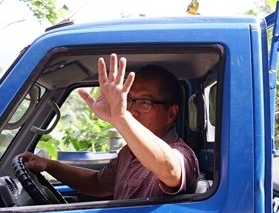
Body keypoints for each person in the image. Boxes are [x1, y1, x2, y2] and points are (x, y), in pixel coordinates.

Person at [19, 54, 199, 201]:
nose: (131, 110)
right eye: (128, 100)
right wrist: (49, 165)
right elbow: (98, 184)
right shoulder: (128, 153)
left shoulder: (183, 154)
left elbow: (170, 169)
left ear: (171, 114)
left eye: (144, 102)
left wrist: (120, 118)